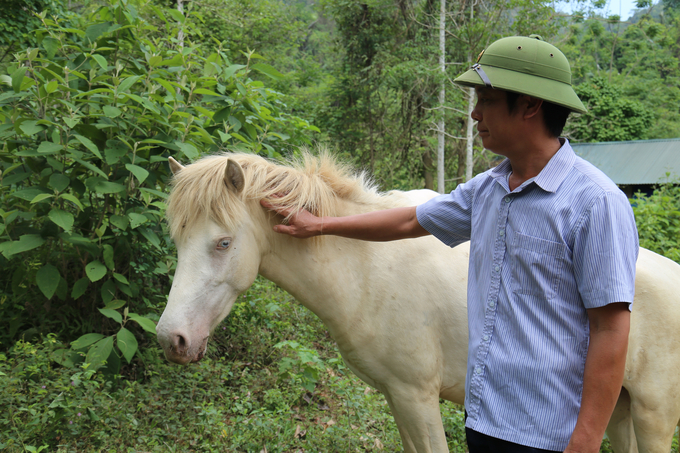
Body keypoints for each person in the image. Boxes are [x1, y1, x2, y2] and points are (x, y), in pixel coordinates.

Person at [261, 35, 638, 453]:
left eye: (486, 98)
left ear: (530, 105)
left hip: (550, 434)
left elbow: (610, 326)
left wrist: (585, 440)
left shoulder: (595, 203)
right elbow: (409, 219)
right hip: (484, 420)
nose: (475, 113)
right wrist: (321, 225)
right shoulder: (488, 189)